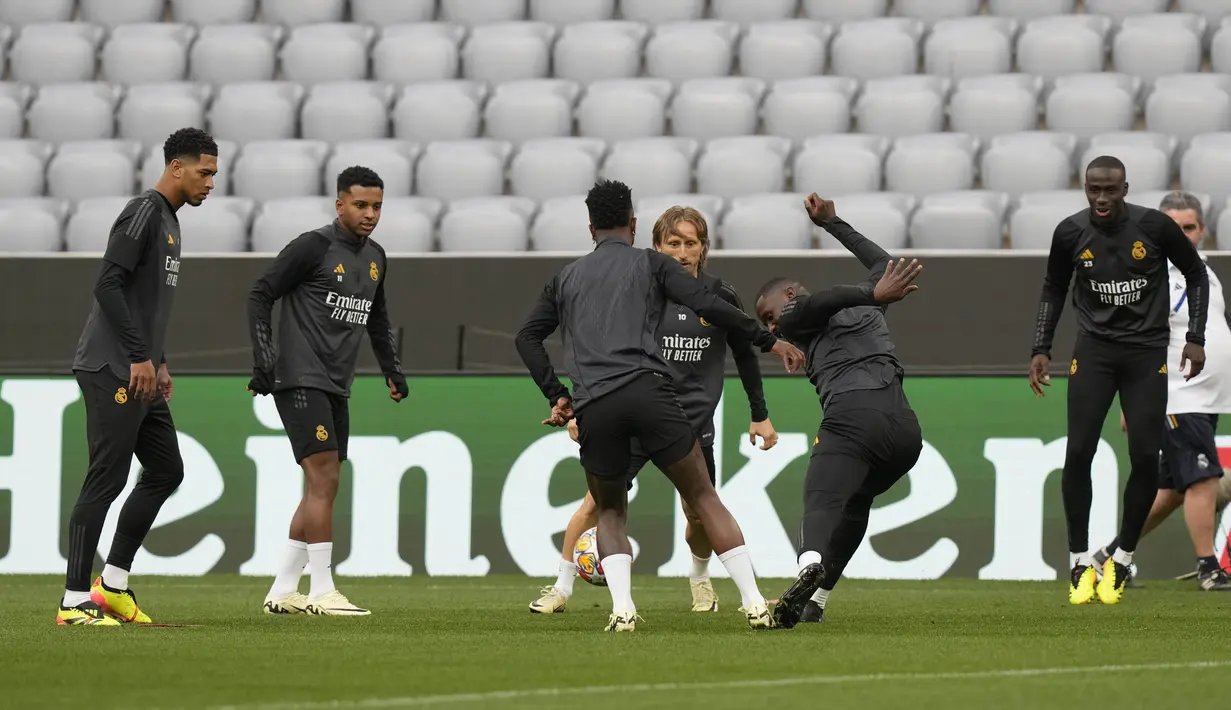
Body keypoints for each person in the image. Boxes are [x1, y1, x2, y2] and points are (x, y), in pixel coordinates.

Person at [514, 179, 806, 632]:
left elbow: (527, 337)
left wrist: (558, 395)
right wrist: (770, 340)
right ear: (634, 223)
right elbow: (709, 303)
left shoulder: (565, 277)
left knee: (609, 511)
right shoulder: (652, 265)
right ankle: (753, 603)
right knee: (704, 497)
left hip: (596, 403)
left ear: (590, 226)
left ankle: (623, 610)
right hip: (651, 394)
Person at [1029, 157, 1210, 606]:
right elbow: (1053, 288)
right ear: (1086, 189)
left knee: (1146, 457)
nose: (1102, 199)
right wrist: (1041, 346)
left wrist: (1195, 337)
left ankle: (1123, 557)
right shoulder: (1070, 232)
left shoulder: (1155, 228)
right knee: (1079, 451)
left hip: (1147, 353)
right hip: (1094, 352)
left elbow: (1196, 273)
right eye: (1094, 190)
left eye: (1110, 190)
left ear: (1125, 188)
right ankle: (1077, 560)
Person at [58, 127, 219, 626]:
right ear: (177, 167)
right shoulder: (144, 212)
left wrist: (159, 357)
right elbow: (108, 283)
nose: (210, 183)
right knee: (105, 480)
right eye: (204, 172)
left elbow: (143, 302)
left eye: (214, 173)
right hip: (111, 366)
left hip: (139, 368)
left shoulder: (170, 221)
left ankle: (114, 586)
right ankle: (72, 602)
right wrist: (138, 355)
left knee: (167, 470)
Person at [753, 194, 925, 629]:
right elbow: (884, 267)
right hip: (904, 433)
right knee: (856, 501)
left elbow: (820, 301)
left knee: (821, 497)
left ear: (788, 296)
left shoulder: (799, 314)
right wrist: (833, 223)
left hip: (854, 418)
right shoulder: (865, 306)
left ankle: (808, 565)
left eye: (769, 316)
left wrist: (871, 288)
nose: (771, 329)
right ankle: (818, 600)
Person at [247, 166, 409, 617]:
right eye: (360, 205)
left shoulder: (376, 255)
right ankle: (322, 589)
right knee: (325, 480)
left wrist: (392, 370)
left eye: (377, 206)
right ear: (339, 204)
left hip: (337, 384)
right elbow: (260, 293)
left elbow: (376, 316)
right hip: (300, 377)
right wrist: (264, 359)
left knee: (321, 484)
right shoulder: (312, 247)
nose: (370, 214)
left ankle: (282, 590)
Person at [1090, 191, 1231, 592]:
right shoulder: (1145, 275)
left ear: (1201, 231)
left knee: (1170, 491)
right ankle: (1208, 568)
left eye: (1189, 227)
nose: (1182, 235)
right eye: (1173, 228)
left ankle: (1109, 559)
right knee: (1203, 480)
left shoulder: (1204, 270)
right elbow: (1127, 340)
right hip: (1176, 395)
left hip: (1207, 396)